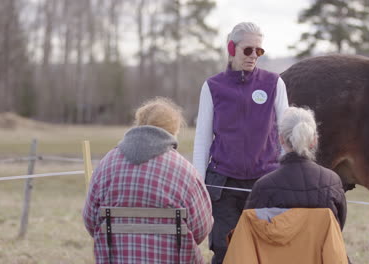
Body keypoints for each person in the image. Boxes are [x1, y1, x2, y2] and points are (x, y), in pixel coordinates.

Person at [193, 22, 289, 263]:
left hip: (265, 183)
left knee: (265, 251)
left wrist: (289, 175)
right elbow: (202, 139)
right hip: (223, 185)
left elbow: (287, 134)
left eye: (259, 51)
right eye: (248, 50)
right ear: (231, 48)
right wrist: (197, 184)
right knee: (227, 251)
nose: (254, 56)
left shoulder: (274, 83)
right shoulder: (212, 87)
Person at [83, 97, 213, 264]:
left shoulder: (106, 165)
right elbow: (201, 229)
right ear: (173, 131)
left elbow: (90, 221)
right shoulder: (185, 171)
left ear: (139, 124)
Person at [245, 106, 347, 229]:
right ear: (314, 140)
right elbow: (337, 228)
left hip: (276, 248)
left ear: (281, 139)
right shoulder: (333, 183)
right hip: (319, 249)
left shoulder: (263, 186)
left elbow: (252, 230)